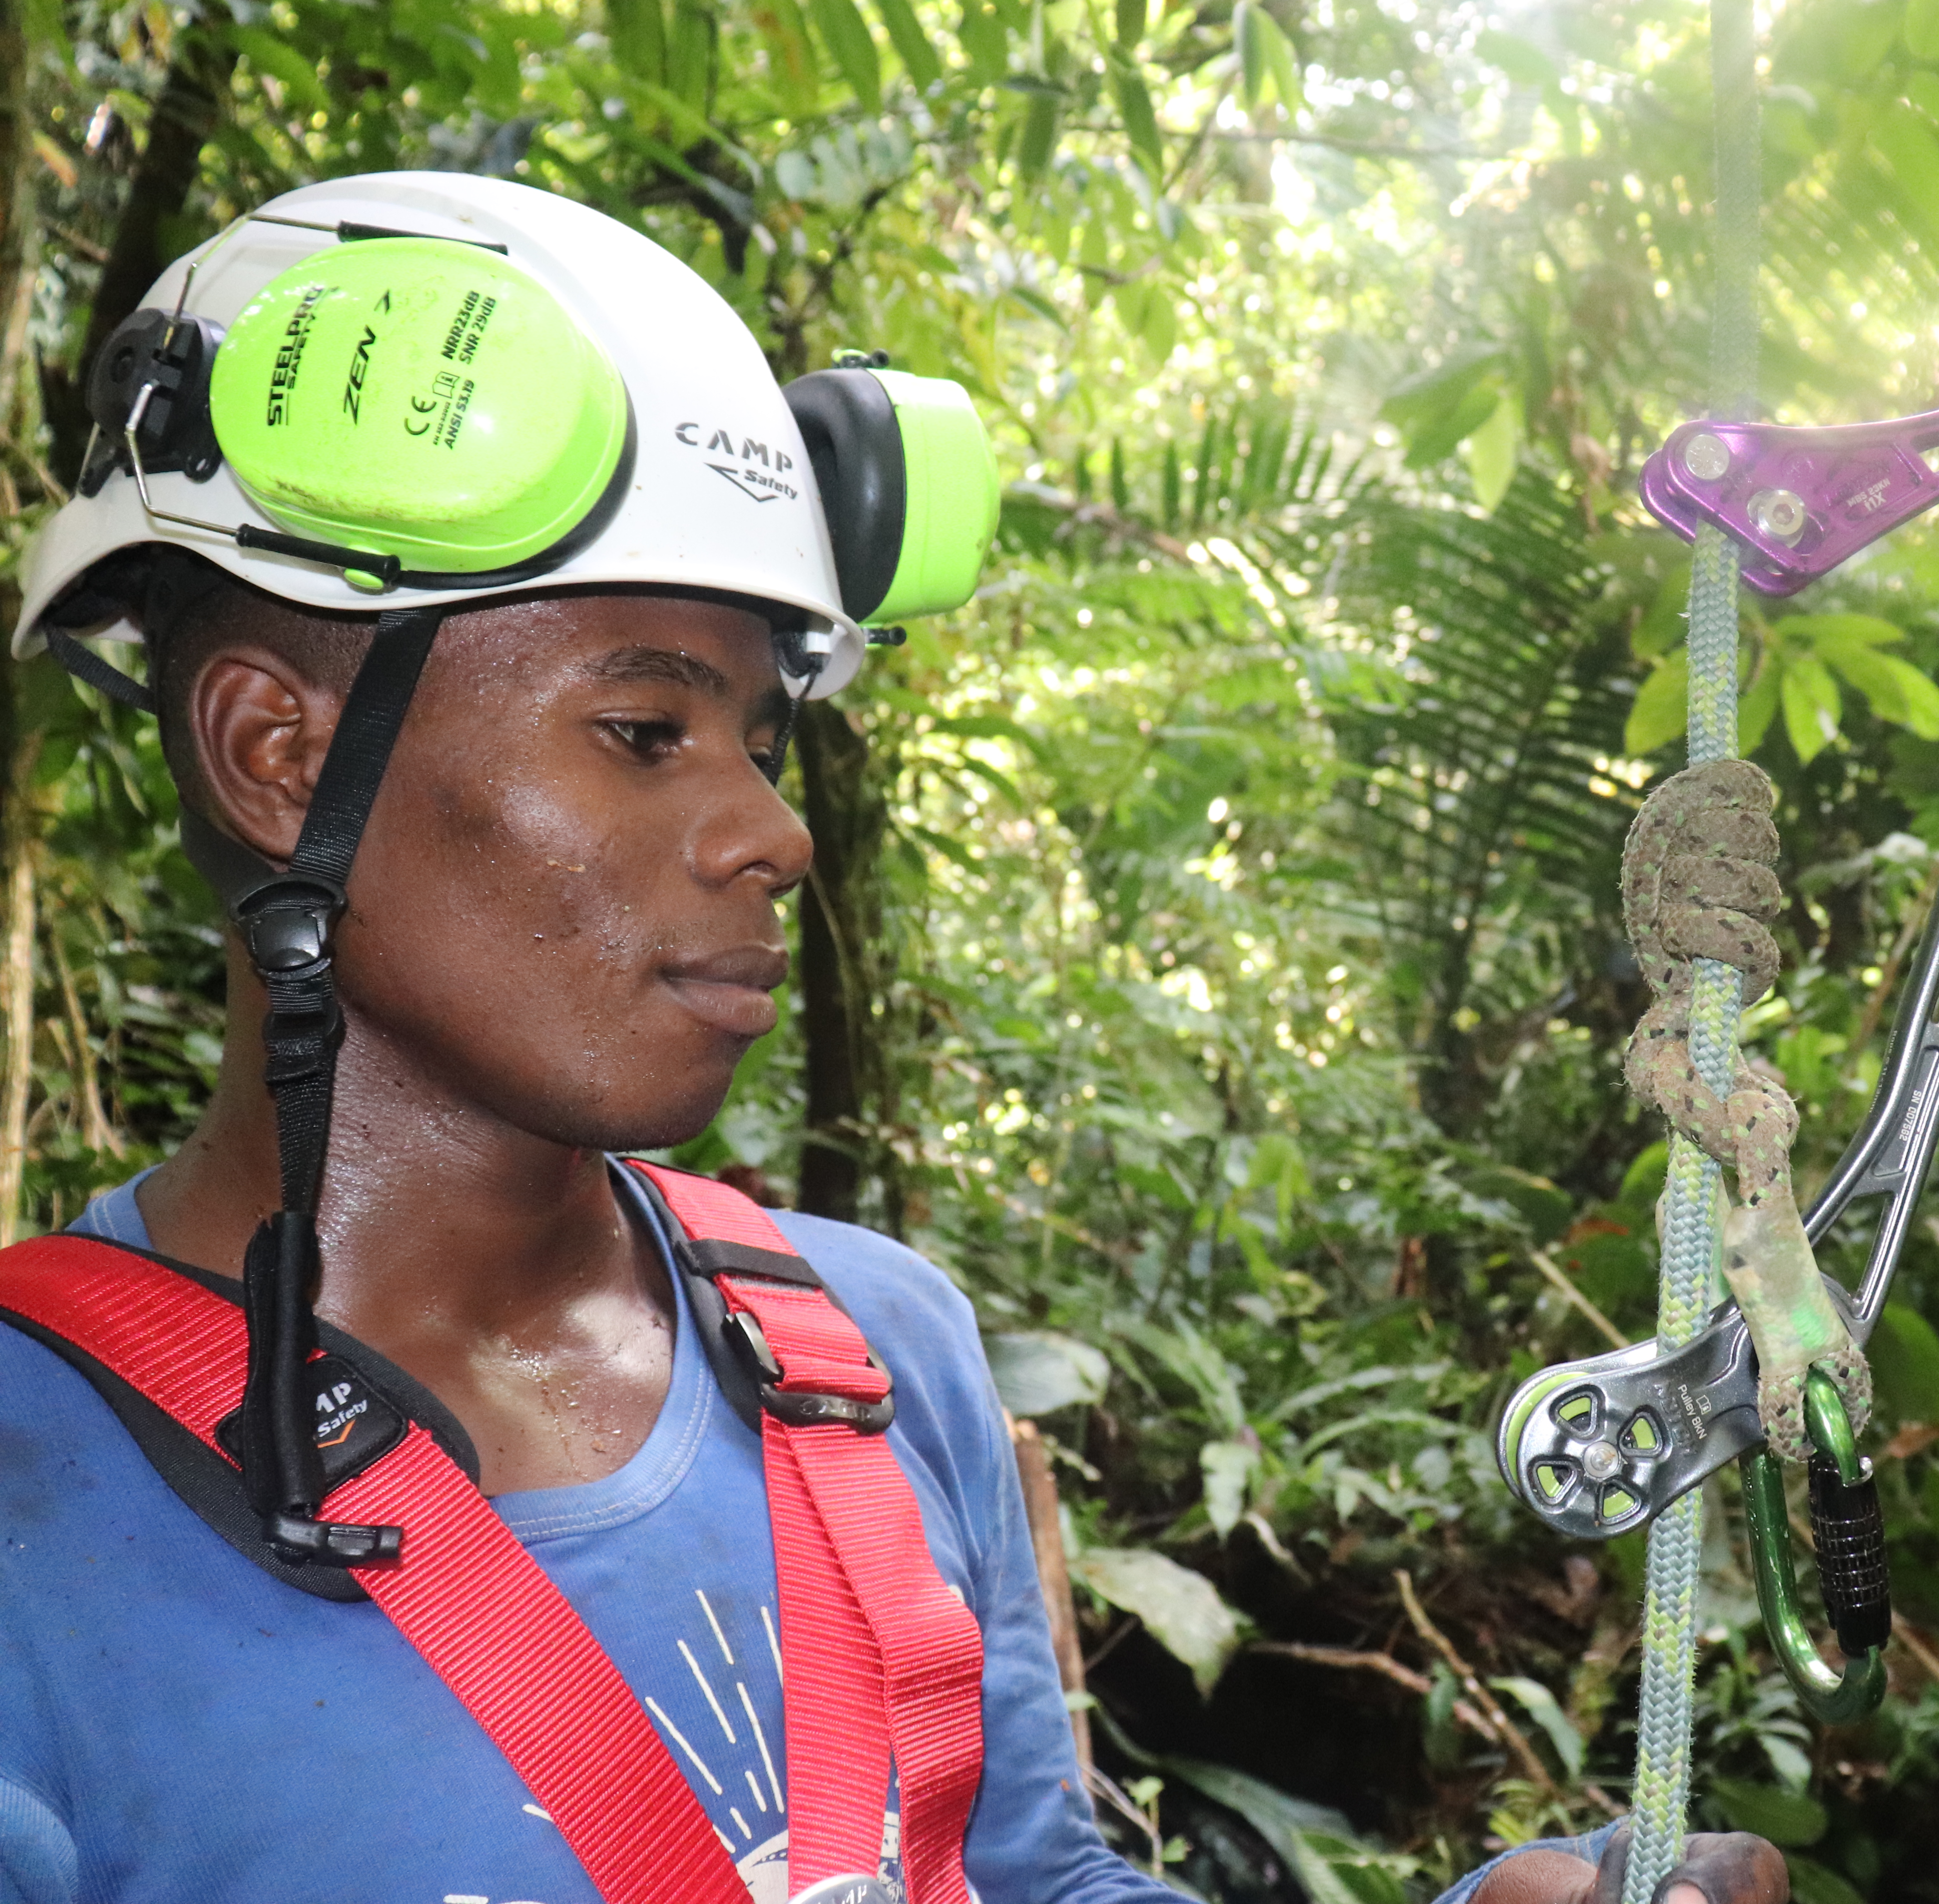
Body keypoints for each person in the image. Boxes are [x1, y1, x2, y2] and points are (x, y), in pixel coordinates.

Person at [0, 172, 1786, 1904]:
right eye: (642, 730)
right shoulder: (34, 1482)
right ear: (277, 755)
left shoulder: (867, 1350)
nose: (769, 833)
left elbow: (1027, 1878)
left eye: (764, 745)